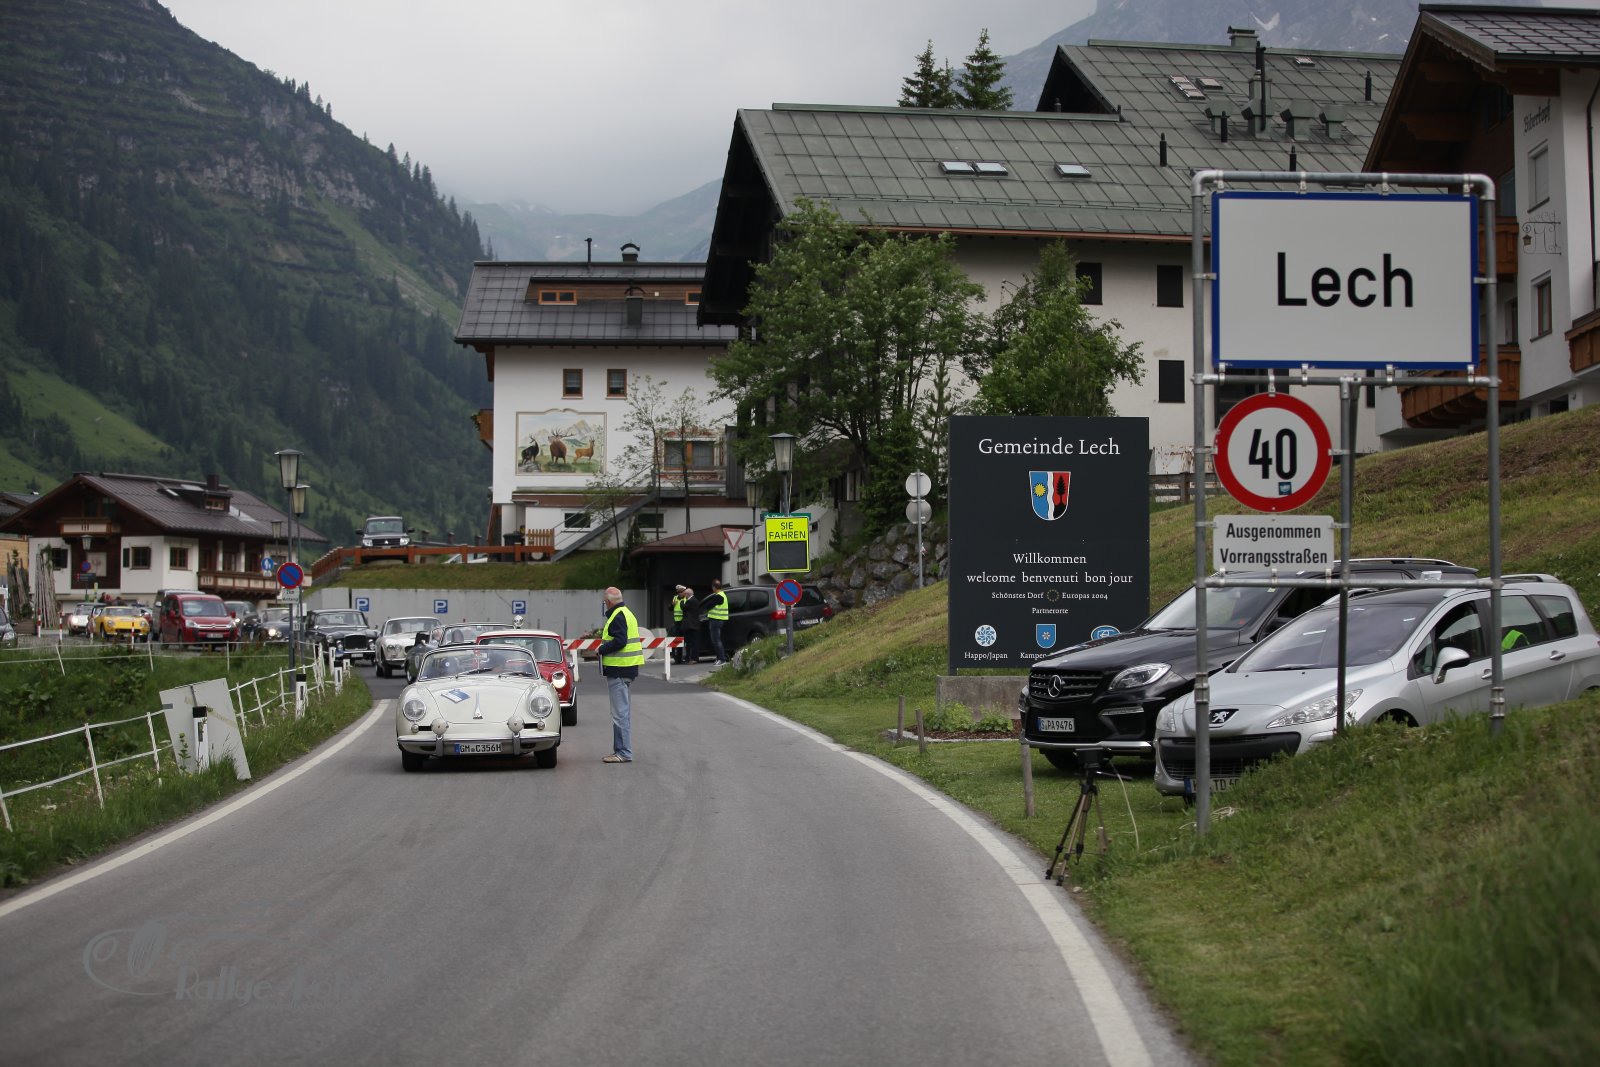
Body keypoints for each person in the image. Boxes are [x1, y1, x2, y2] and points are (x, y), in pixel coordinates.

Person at [597, 586, 643, 763]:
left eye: (604, 602)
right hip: (626, 669)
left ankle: (623, 752)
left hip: (619, 670)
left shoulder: (617, 616)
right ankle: (620, 750)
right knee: (622, 713)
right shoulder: (626, 613)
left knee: (619, 714)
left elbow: (620, 641)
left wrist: (601, 649)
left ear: (608, 602)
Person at [702, 579, 730, 664]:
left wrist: (706, 608)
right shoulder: (723, 595)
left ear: (714, 587)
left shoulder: (718, 596)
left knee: (716, 641)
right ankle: (719, 658)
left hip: (716, 620)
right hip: (719, 620)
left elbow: (708, 606)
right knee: (717, 640)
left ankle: (722, 659)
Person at [679, 586, 702, 664]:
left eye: (685, 594)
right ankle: (692, 658)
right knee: (693, 642)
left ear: (688, 594)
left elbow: (683, 607)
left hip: (690, 625)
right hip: (694, 625)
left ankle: (692, 658)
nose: (684, 595)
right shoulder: (695, 600)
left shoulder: (690, 601)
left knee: (690, 643)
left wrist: (682, 601)